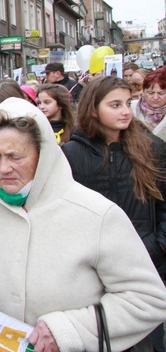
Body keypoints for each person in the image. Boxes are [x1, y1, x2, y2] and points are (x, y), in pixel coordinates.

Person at [0, 97, 166, 351]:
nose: (3, 168)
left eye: (15, 156)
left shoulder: (96, 213)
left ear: (44, 155)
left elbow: (148, 299)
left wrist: (70, 328)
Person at [62, 75, 166, 351]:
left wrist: (158, 244)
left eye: (128, 103)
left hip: (146, 263)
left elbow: (164, 203)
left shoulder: (151, 148)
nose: (125, 111)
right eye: (116, 104)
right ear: (93, 109)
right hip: (92, 269)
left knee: (148, 342)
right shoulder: (69, 154)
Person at [132, 67, 166, 142]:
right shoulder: (130, 107)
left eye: (161, 93)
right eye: (151, 93)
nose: (155, 97)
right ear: (143, 92)